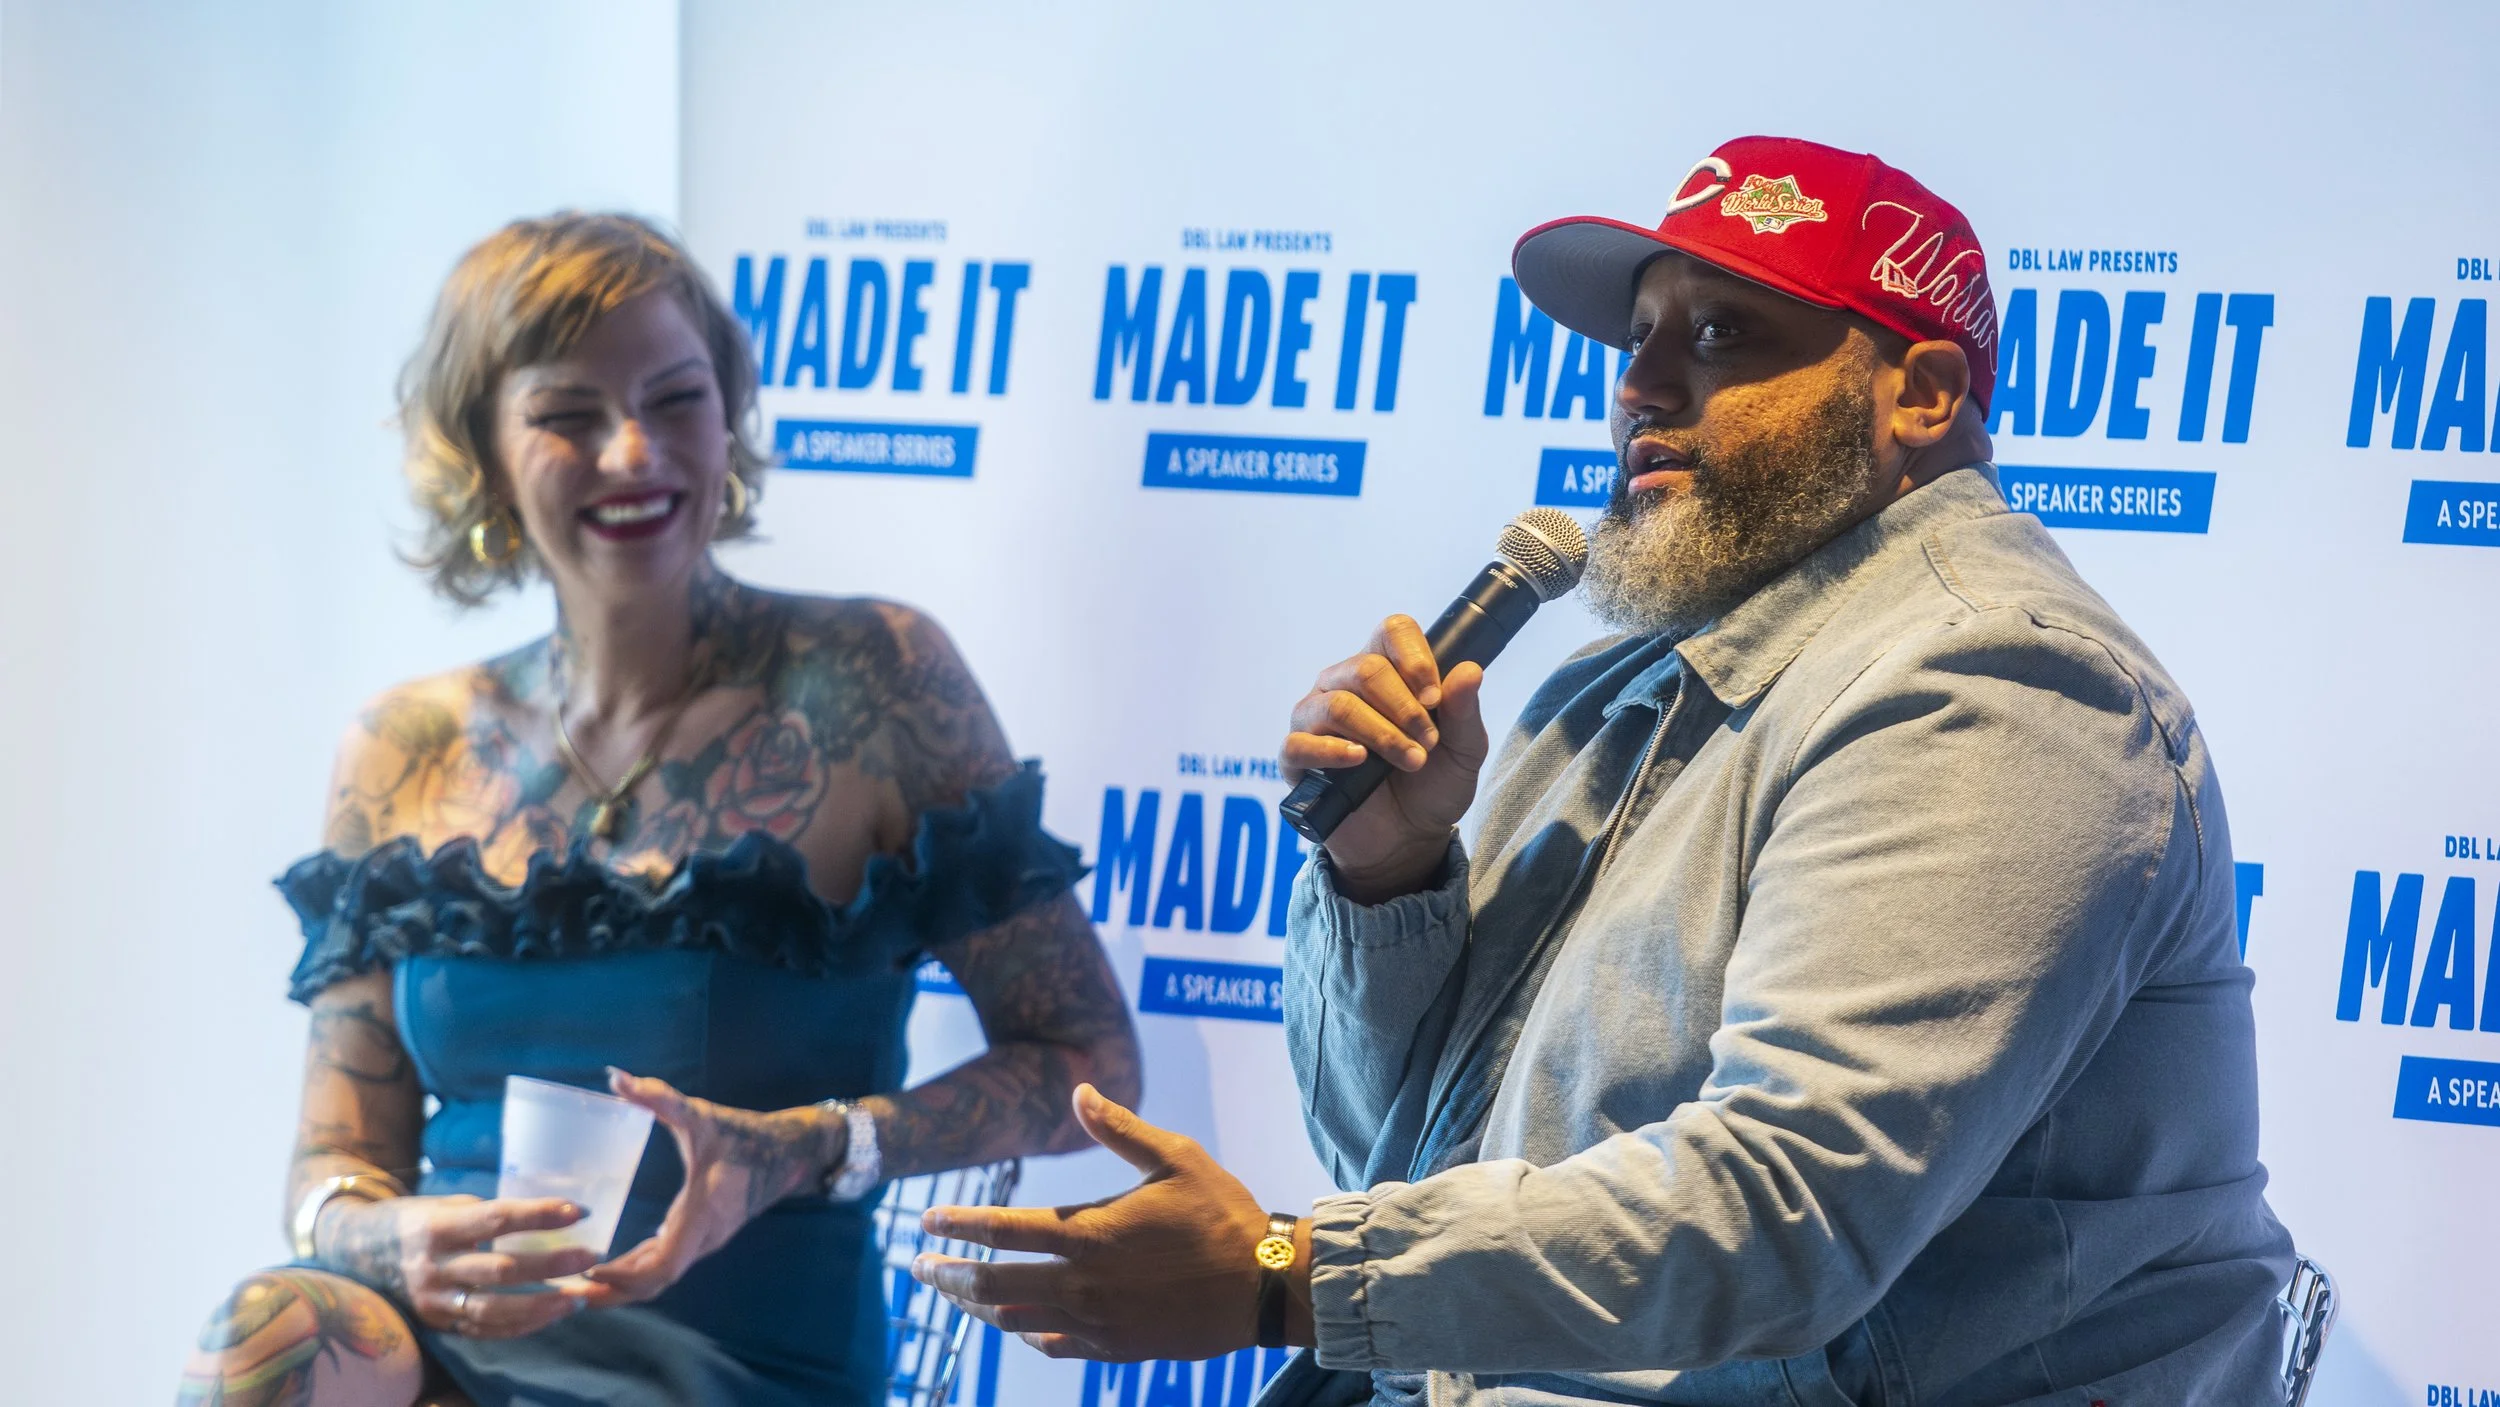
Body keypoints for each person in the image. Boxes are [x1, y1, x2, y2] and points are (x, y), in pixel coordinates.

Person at [914, 137, 2296, 1404]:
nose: (1640, 384)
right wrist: (1386, 871)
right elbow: (1389, 1156)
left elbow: (1783, 1214)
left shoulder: (1992, 685)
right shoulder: (1611, 685)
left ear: (1922, 394)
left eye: (1720, 332)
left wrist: (1289, 1269)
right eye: (1637, 336)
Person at [177, 212, 1139, 1407]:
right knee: (260, 1336)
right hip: (453, 1357)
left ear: (728, 418)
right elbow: (335, 1169)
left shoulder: (874, 679)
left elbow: (1089, 1062)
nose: (634, 454)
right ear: (483, 449)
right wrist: (387, 1242)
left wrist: (816, 1146)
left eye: (675, 399)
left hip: (736, 1365)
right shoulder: (403, 745)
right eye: (568, 416)